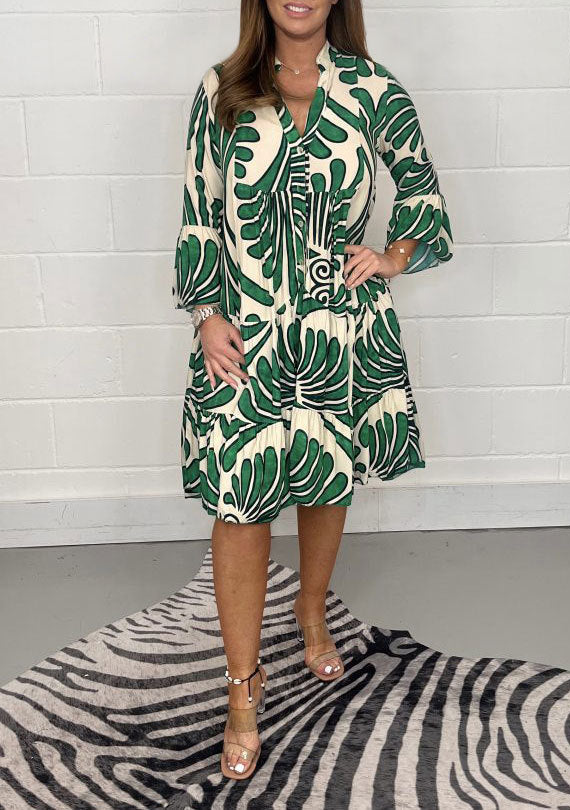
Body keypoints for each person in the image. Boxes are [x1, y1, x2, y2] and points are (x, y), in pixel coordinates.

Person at [172, 0, 453, 780]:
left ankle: (309, 608)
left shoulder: (374, 89)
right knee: (242, 503)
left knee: (326, 483)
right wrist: (206, 313)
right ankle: (242, 687)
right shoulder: (222, 89)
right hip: (247, 332)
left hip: (337, 326)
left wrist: (391, 256)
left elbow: (423, 192)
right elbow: (199, 211)